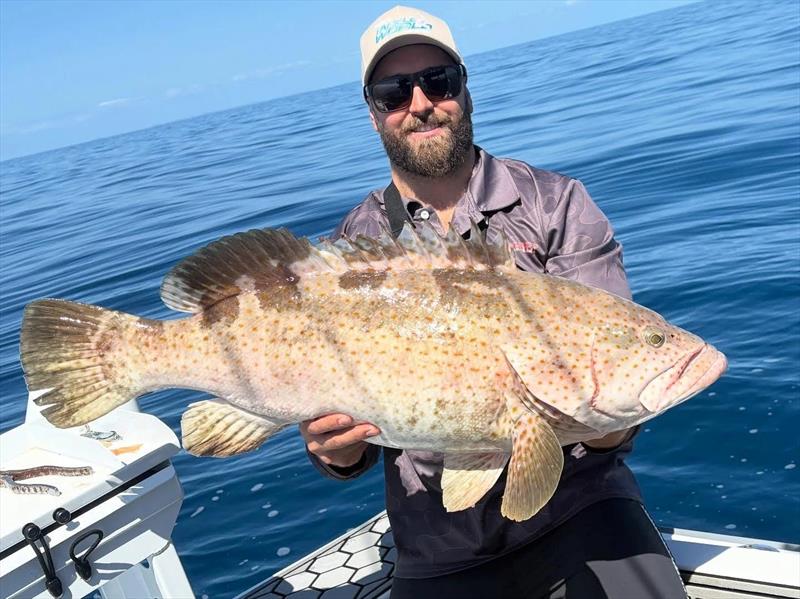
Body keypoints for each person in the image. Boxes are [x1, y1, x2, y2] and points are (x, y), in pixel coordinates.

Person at [300, 6, 687, 598]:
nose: (421, 103)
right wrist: (335, 452)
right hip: (436, 542)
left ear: (464, 86)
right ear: (373, 111)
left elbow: (617, 382)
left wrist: (612, 418)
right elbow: (336, 442)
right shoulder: (352, 251)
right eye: (393, 91)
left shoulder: (556, 205)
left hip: (582, 506)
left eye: (438, 81)